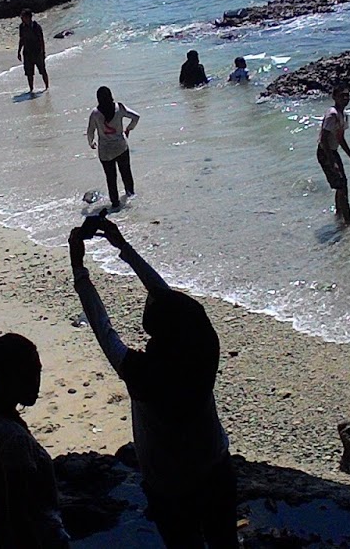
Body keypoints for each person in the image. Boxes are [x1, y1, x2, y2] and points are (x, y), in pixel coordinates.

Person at [70, 216, 237, 548]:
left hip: (169, 486)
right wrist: (123, 247)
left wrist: (79, 267)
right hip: (215, 468)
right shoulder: (203, 348)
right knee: (225, 543)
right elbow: (168, 299)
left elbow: (102, 326)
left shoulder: (142, 372)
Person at [0, 333, 72, 549]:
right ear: (9, 378)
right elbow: (21, 515)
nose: (37, 382)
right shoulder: (14, 439)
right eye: (29, 375)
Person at [86, 87, 140, 210]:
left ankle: (115, 204)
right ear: (111, 96)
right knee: (126, 173)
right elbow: (136, 117)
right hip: (121, 147)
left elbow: (90, 131)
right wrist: (128, 129)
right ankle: (131, 195)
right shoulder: (119, 108)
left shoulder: (95, 113)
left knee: (111, 178)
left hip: (105, 151)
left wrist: (91, 143)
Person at [317, 87, 350, 226]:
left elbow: (340, 138)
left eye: (347, 96)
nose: (345, 99)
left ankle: (339, 214)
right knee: (341, 186)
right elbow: (323, 139)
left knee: (342, 185)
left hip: (333, 151)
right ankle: (348, 223)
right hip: (325, 152)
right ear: (334, 97)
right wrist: (331, 161)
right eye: (342, 96)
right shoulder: (332, 115)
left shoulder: (343, 115)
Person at [17, 9, 50, 95]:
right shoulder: (22, 27)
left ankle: (47, 88)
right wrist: (19, 51)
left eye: (23, 17)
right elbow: (21, 39)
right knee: (29, 73)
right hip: (27, 53)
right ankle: (31, 89)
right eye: (21, 17)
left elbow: (41, 40)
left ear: (29, 17)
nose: (22, 18)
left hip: (37, 52)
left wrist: (43, 52)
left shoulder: (36, 27)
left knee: (42, 71)